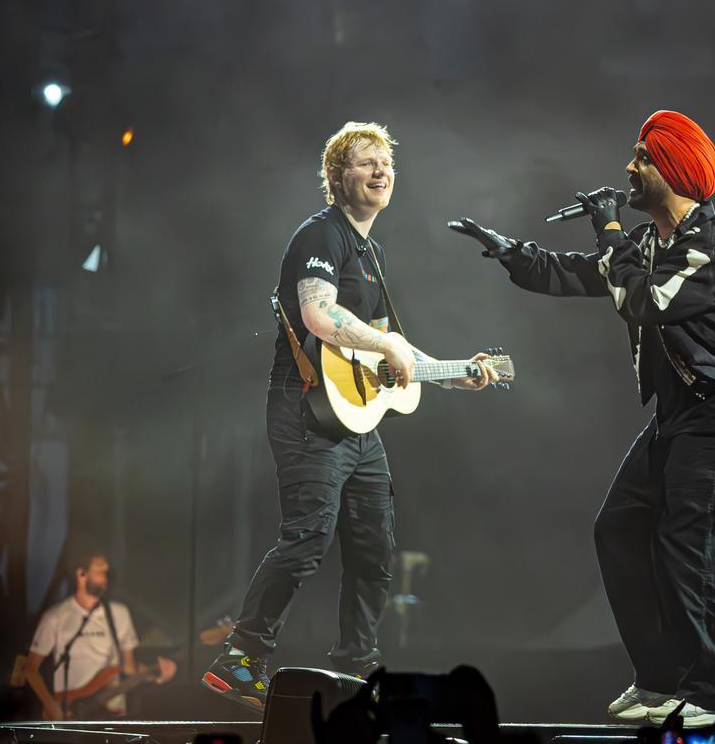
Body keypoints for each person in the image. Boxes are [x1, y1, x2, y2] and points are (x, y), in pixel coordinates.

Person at [450, 110, 715, 728]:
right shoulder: (651, 243)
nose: (629, 167)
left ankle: (706, 689)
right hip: (677, 411)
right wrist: (514, 254)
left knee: (693, 550)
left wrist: (611, 227)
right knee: (618, 529)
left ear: (672, 172)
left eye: (643, 158)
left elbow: (642, 302)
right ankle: (657, 680)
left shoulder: (708, 248)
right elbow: (583, 273)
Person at [202, 121, 498, 715]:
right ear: (338, 177)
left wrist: (451, 370)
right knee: (308, 537)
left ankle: (355, 669)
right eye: (366, 162)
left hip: (357, 423)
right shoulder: (321, 233)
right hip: (306, 409)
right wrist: (388, 349)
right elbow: (316, 313)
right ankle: (240, 657)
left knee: (374, 548)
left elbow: (389, 343)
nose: (380, 171)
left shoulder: (373, 253)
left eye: (386, 162)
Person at [24, 552, 176, 720]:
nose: (105, 577)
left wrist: (154, 674)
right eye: (99, 571)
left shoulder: (119, 613)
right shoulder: (56, 616)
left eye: (107, 572)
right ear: (81, 573)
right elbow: (30, 669)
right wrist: (50, 704)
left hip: (113, 715)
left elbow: (129, 668)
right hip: (71, 714)